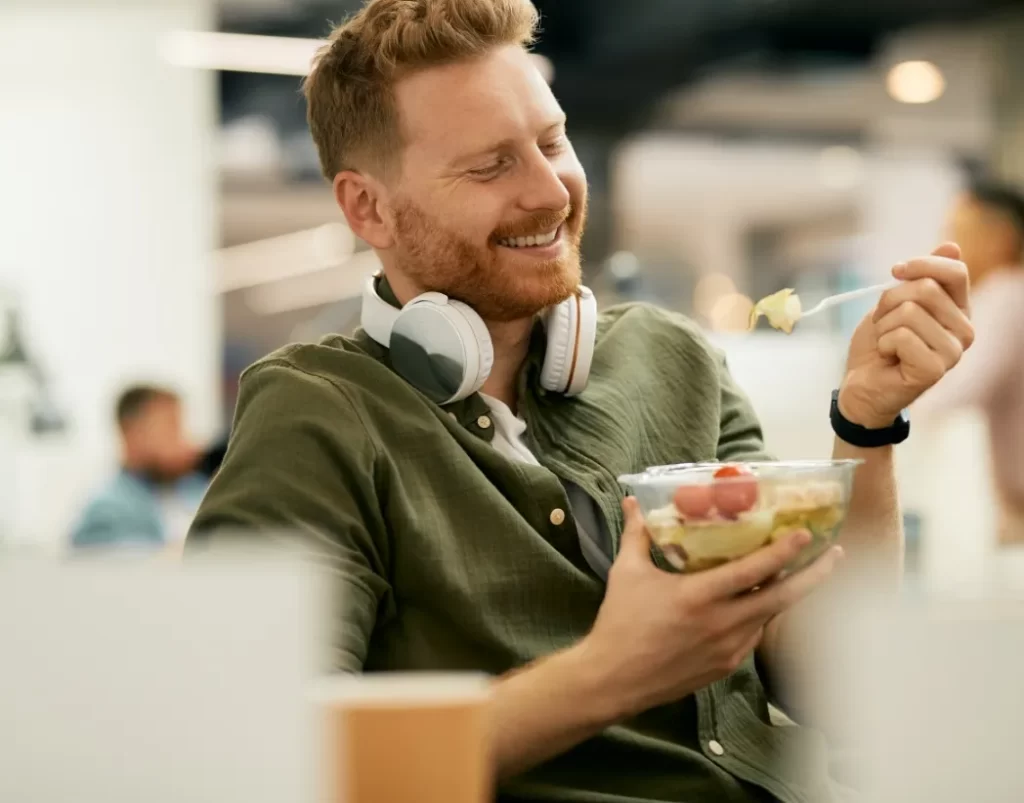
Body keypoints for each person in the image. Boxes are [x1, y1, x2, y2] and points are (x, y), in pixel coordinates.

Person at [188, 1, 974, 800]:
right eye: (490, 166)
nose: (550, 191)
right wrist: (609, 673)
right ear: (368, 207)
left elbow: (833, 680)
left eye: (552, 142)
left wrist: (866, 422)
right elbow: (259, 759)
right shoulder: (318, 414)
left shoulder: (673, 360)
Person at [915, 178, 1024, 543]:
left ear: (1000, 238)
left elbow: (960, 390)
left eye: (959, 233)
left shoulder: (1005, 293)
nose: (948, 246)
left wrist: (889, 405)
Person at [71, 385, 207, 551]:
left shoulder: (196, 489)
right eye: (172, 427)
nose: (186, 441)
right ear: (132, 433)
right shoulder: (105, 512)